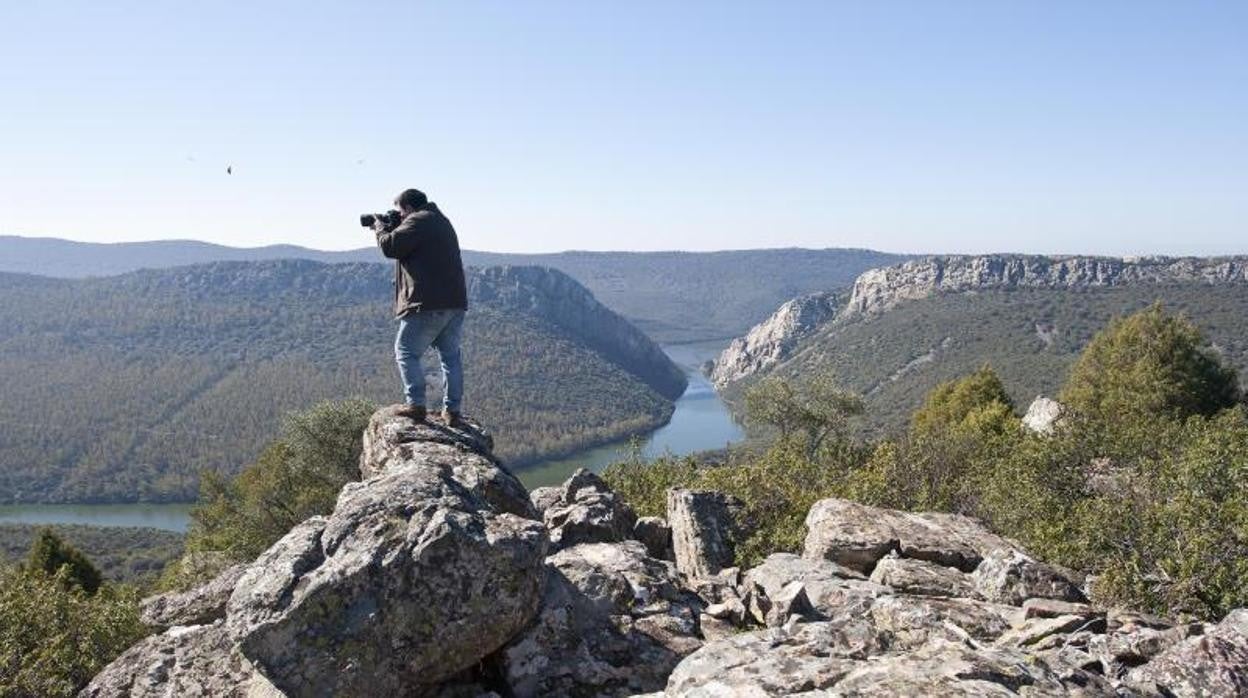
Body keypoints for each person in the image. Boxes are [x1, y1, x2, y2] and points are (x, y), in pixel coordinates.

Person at [372, 188, 468, 424]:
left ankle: (416, 405)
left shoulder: (418, 221)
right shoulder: (440, 220)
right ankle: (452, 410)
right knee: (450, 358)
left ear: (408, 208)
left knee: (405, 351)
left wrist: (380, 227)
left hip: (427, 303)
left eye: (400, 212)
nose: (399, 217)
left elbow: (390, 247)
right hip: (454, 303)